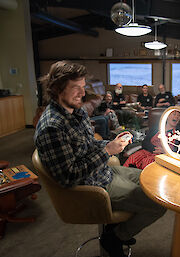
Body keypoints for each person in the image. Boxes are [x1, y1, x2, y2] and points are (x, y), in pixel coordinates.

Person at [34, 61, 166, 257]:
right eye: (75, 88)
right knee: (158, 203)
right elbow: (68, 177)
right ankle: (114, 238)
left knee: (151, 180)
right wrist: (107, 152)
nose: (82, 93)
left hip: (102, 172)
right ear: (56, 89)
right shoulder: (52, 127)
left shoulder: (76, 111)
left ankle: (118, 227)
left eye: (82, 86)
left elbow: (86, 145)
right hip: (93, 187)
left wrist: (110, 142)